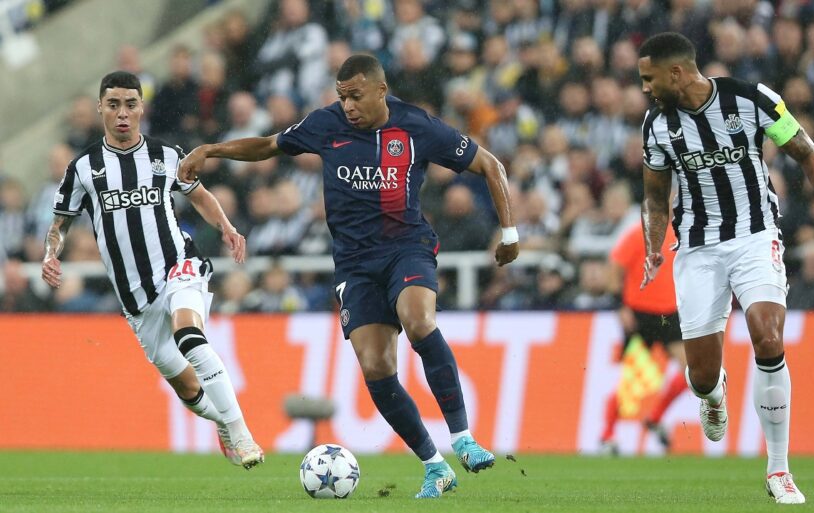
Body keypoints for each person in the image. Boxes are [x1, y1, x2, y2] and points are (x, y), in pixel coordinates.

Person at [179, 54, 520, 498]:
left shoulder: (417, 126)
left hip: (406, 248)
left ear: (381, 90)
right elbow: (268, 145)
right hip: (355, 264)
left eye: (356, 96)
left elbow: (491, 165)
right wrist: (211, 150)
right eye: (342, 97)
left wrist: (509, 233)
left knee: (419, 321)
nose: (348, 106)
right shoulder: (326, 124)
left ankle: (463, 439)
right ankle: (434, 466)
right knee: (376, 366)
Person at [637, 32, 814, 504]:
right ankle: (713, 396)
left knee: (767, 337)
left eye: (649, 78)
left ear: (676, 72)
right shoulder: (656, 125)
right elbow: (654, 195)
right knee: (701, 376)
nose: (645, 88)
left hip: (755, 236)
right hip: (697, 249)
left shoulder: (751, 99)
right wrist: (653, 244)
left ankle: (779, 470)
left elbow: (810, 156)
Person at [42, 71, 264, 470]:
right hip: (136, 300)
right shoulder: (84, 167)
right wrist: (50, 254)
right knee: (187, 388)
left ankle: (242, 432)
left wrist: (227, 228)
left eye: (130, 104)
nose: (122, 113)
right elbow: (60, 223)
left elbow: (199, 196)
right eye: (114, 105)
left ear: (141, 108)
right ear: (100, 108)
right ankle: (222, 423)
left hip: (179, 265)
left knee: (188, 334)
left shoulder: (166, 155)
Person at [599, 219, 687, 455]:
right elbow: (614, 267)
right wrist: (620, 305)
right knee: (631, 380)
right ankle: (607, 435)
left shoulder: (681, 233)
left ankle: (655, 418)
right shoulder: (638, 234)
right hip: (640, 314)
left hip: (668, 314)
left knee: (692, 373)